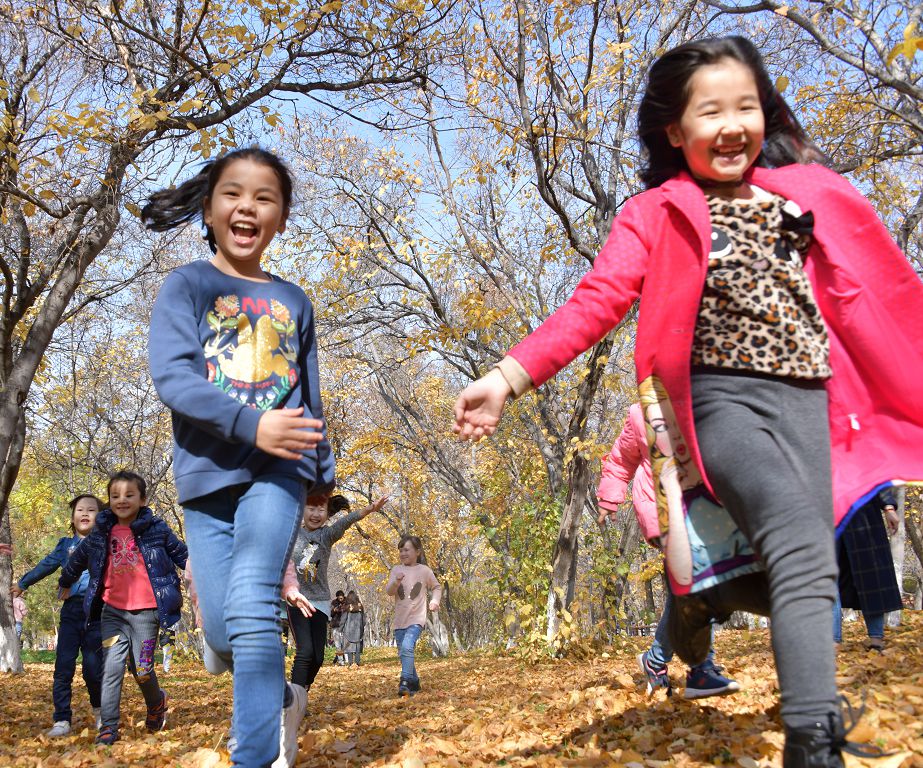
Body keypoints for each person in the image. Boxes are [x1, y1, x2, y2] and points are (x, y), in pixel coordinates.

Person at [452, 36, 923, 767]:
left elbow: (879, 291)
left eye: (747, 107)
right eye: (711, 112)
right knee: (801, 549)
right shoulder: (657, 211)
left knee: (807, 568)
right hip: (718, 406)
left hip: (809, 404)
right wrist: (508, 377)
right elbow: (597, 300)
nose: (732, 125)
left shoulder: (807, 194)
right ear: (675, 130)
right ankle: (814, 743)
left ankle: (709, 593)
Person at [144, 146, 335, 768]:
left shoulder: (294, 300)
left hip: (278, 474)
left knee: (254, 602)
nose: (247, 206)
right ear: (208, 208)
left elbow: (308, 393)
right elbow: (173, 379)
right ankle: (277, 695)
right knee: (226, 633)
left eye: (264, 197)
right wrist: (252, 425)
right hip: (206, 475)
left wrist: (321, 474)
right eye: (233, 193)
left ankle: (251, 756)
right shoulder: (188, 285)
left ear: (281, 217)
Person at [599, 403, 739, 699]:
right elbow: (621, 459)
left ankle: (657, 660)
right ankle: (701, 669)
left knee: (690, 588)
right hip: (661, 509)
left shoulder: (702, 399)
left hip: (702, 507)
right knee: (697, 582)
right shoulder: (640, 413)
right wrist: (610, 498)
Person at [58, 472, 187, 746]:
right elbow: (78, 559)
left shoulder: (157, 529)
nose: (122, 500)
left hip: (147, 614)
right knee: (111, 668)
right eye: (115, 495)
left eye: (129, 495)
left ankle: (156, 703)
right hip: (113, 613)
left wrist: (202, 579)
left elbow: (183, 555)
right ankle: (108, 727)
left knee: (142, 670)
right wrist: (65, 581)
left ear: (143, 499)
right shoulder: (101, 533)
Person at [12, 494, 104, 737]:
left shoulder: (105, 543)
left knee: (93, 670)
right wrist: (23, 583)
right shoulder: (65, 546)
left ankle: (101, 713)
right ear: (72, 518)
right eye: (80, 510)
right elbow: (46, 565)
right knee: (63, 667)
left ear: (101, 517)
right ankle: (62, 719)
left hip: (97, 613)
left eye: (91, 510)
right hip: (72, 612)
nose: (85, 514)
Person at [281, 494, 387, 694]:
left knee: (318, 658)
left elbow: (347, 521)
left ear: (327, 513)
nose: (315, 514)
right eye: (311, 508)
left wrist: (370, 509)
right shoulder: (291, 534)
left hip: (320, 602)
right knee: (305, 652)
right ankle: (295, 699)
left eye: (321, 510)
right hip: (297, 600)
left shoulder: (327, 535)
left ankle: (303, 686)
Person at [833, 492, 902, 652]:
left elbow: (876, 479)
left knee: (872, 576)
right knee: (825, 577)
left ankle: (876, 638)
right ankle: (832, 640)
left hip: (863, 514)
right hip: (825, 514)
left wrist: (889, 507)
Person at [384, 535, 441, 697]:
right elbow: (389, 591)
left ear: (417, 552)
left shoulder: (424, 571)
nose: (403, 553)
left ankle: (405, 681)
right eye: (401, 550)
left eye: (407, 550)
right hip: (400, 620)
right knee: (404, 653)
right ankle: (414, 681)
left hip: (417, 619)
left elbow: (436, 587)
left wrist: (435, 601)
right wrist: (396, 582)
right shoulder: (396, 570)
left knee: (408, 647)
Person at [341, 590, 366, 667]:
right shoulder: (360, 606)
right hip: (358, 630)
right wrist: (362, 627)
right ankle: (357, 662)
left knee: (349, 646)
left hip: (348, 630)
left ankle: (350, 662)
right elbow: (364, 619)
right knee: (357, 645)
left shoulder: (347, 607)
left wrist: (341, 628)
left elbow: (343, 619)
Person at [329, 590, 347, 666]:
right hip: (336, 625)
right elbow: (331, 614)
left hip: (345, 625)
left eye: (341, 597)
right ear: (337, 597)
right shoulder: (333, 603)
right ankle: (341, 661)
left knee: (345, 643)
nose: (340, 598)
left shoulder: (347, 602)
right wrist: (334, 610)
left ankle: (347, 660)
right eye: (339, 597)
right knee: (337, 644)